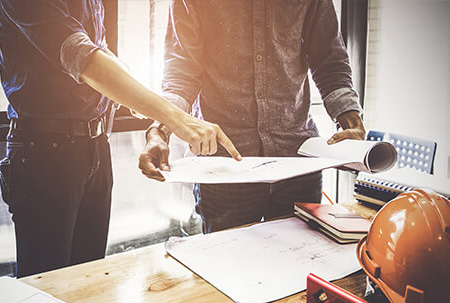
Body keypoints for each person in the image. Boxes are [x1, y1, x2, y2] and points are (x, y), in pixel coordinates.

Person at [0, 0, 241, 277]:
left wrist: (149, 107)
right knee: (46, 284)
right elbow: (84, 58)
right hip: (43, 151)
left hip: (96, 145)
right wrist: (176, 118)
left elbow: (102, 53)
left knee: (89, 278)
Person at [139, 0, 366, 233]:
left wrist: (352, 122)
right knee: (226, 265)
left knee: (300, 262)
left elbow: (330, 62)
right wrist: (160, 129)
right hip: (224, 167)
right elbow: (181, 75)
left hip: (298, 159)